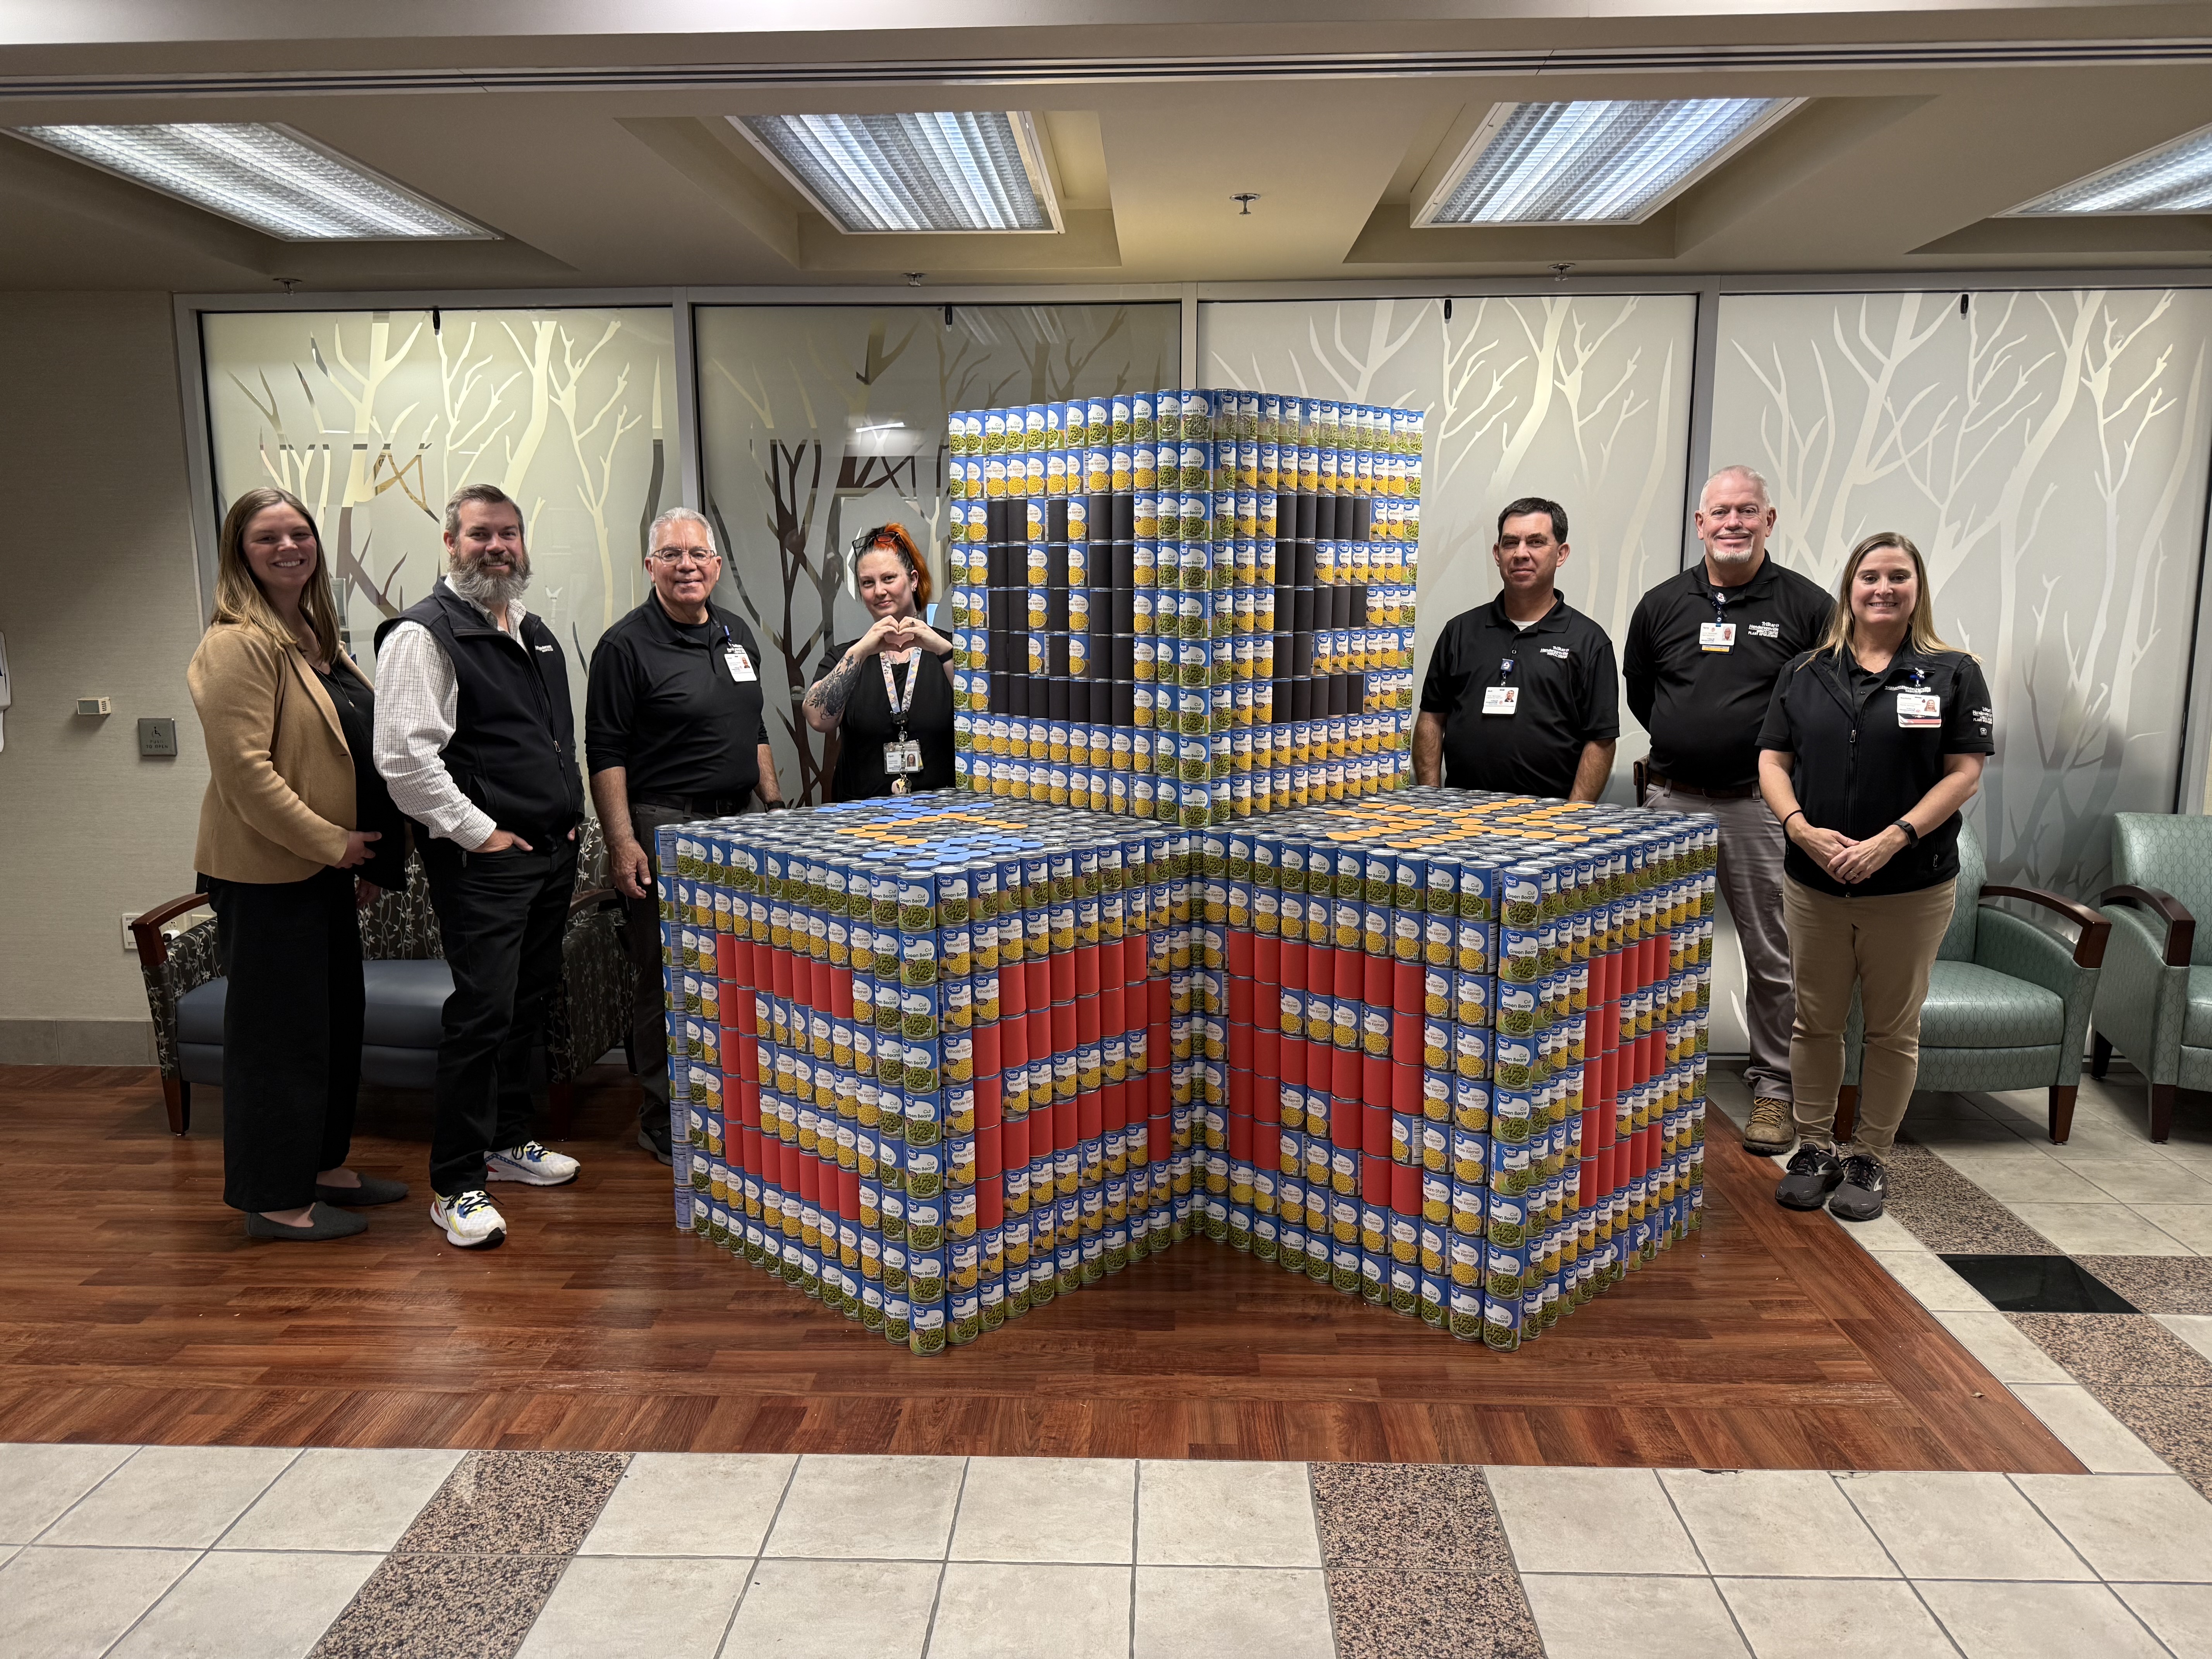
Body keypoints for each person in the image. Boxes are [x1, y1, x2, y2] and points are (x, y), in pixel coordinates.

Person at [187, 486, 409, 1241]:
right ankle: (276, 1200)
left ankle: (321, 1166)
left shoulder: (311, 633)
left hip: (322, 873)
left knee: (333, 1026)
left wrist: (367, 855)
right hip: (266, 876)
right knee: (278, 1039)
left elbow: (346, 745)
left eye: (299, 533)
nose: (288, 547)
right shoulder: (235, 644)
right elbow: (247, 774)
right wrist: (331, 843)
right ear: (239, 553)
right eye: (267, 538)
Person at [373, 483, 584, 1250]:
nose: (497, 546)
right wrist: (480, 833)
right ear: (451, 544)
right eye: (480, 534)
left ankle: (505, 1141)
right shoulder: (423, 635)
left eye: (509, 534)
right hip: (485, 864)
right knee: (481, 1014)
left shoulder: (532, 631)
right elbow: (404, 759)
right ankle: (455, 1183)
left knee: (526, 1004)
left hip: (548, 852)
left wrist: (566, 817)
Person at [1757, 533, 1992, 1221]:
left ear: (1917, 588)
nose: (1883, 588)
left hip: (1910, 885)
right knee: (1814, 1022)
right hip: (1815, 883)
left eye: (1898, 576)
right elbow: (1772, 760)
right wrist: (1799, 827)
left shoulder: (1952, 672)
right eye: (1870, 576)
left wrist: (1895, 837)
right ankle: (1813, 1148)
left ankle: (1869, 1157)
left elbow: (1965, 773)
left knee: (1892, 1030)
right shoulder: (1805, 671)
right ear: (1849, 588)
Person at [1625, 466, 1833, 1157]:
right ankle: (1650, 1081)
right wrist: (1691, 735)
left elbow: (1826, 704)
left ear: (1768, 521)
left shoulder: (1808, 606)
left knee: (1773, 956)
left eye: (1747, 511)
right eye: (1720, 512)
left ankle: (1774, 1089)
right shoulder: (1661, 604)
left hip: (1758, 806)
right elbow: (1643, 692)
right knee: (1652, 952)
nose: (1733, 523)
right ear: (1700, 523)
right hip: (1669, 802)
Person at [587, 507, 787, 1164]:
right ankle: (663, 1117)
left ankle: (732, 1103)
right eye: (671, 554)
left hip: (740, 824)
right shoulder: (624, 646)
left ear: (716, 565)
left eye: (697, 554)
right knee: (667, 973)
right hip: (665, 825)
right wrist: (622, 842)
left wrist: (774, 804)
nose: (686, 566)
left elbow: (755, 727)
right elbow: (605, 752)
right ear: (651, 566)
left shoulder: (735, 634)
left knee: (738, 971)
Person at [1413, 496, 1618, 800]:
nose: (1521, 554)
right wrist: (1431, 797)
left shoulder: (1589, 641)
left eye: (1536, 542)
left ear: (1561, 554)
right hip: (1461, 817)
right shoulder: (1460, 632)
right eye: (1511, 543)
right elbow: (1431, 718)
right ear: (1498, 554)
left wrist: (1573, 816)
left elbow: (1600, 741)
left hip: (1548, 820)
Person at [804, 524, 957, 800]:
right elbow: (817, 719)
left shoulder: (949, 650)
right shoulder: (846, 656)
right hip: (861, 818)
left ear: (913, 580)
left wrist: (944, 651)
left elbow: (986, 711)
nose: (879, 591)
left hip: (943, 817)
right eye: (868, 583)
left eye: (889, 578)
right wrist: (860, 652)